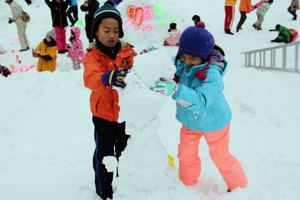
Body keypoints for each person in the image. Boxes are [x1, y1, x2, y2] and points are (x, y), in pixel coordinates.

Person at [151, 23, 248, 192]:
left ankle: (239, 188)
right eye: (184, 56)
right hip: (190, 121)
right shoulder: (181, 63)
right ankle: (187, 184)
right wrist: (151, 56)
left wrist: (175, 89)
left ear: (205, 56)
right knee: (186, 154)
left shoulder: (212, 74)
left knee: (220, 156)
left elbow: (202, 101)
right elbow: (166, 60)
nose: (187, 62)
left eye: (193, 58)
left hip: (215, 121)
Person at [82, 2, 137, 199]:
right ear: (96, 31)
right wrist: (107, 77)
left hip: (124, 114)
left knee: (124, 151)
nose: (112, 35)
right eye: (106, 30)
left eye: (115, 30)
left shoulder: (128, 52)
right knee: (105, 155)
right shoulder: (92, 56)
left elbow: (139, 72)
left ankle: (124, 185)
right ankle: (104, 191)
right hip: (103, 115)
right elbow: (90, 79)